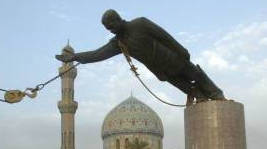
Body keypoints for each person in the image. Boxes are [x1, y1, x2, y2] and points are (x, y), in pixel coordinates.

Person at [55, 9, 225, 105]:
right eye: (108, 29)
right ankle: (200, 97)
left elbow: (164, 36)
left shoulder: (140, 24)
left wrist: (182, 50)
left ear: (118, 19)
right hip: (162, 70)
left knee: (196, 75)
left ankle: (216, 95)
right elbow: (98, 54)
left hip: (174, 58)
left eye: (112, 25)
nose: (112, 30)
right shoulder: (118, 43)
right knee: (187, 86)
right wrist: (75, 57)